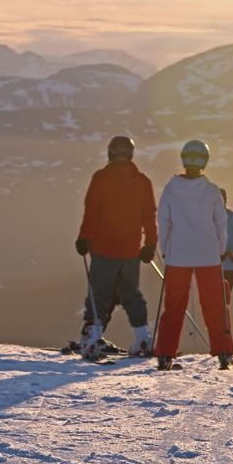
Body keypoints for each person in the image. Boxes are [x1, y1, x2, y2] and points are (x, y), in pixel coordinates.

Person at [153, 140, 233, 370]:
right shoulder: (211, 191)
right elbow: (221, 223)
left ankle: (165, 353)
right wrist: (219, 250)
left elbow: (164, 222)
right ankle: (223, 351)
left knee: (174, 306)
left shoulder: (171, 189)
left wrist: (166, 250)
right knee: (214, 305)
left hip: (178, 255)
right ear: (205, 162)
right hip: (208, 254)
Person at [74, 135, 158, 358]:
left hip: (103, 248)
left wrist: (84, 238)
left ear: (110, 153)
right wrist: (150, 244)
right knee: (131, 294)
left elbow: (91, 211)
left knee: (99, 294)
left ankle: (92, 339)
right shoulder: (142, 182)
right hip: (130, 249)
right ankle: (143, 339)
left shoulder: (101, 178)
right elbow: (149, 216)